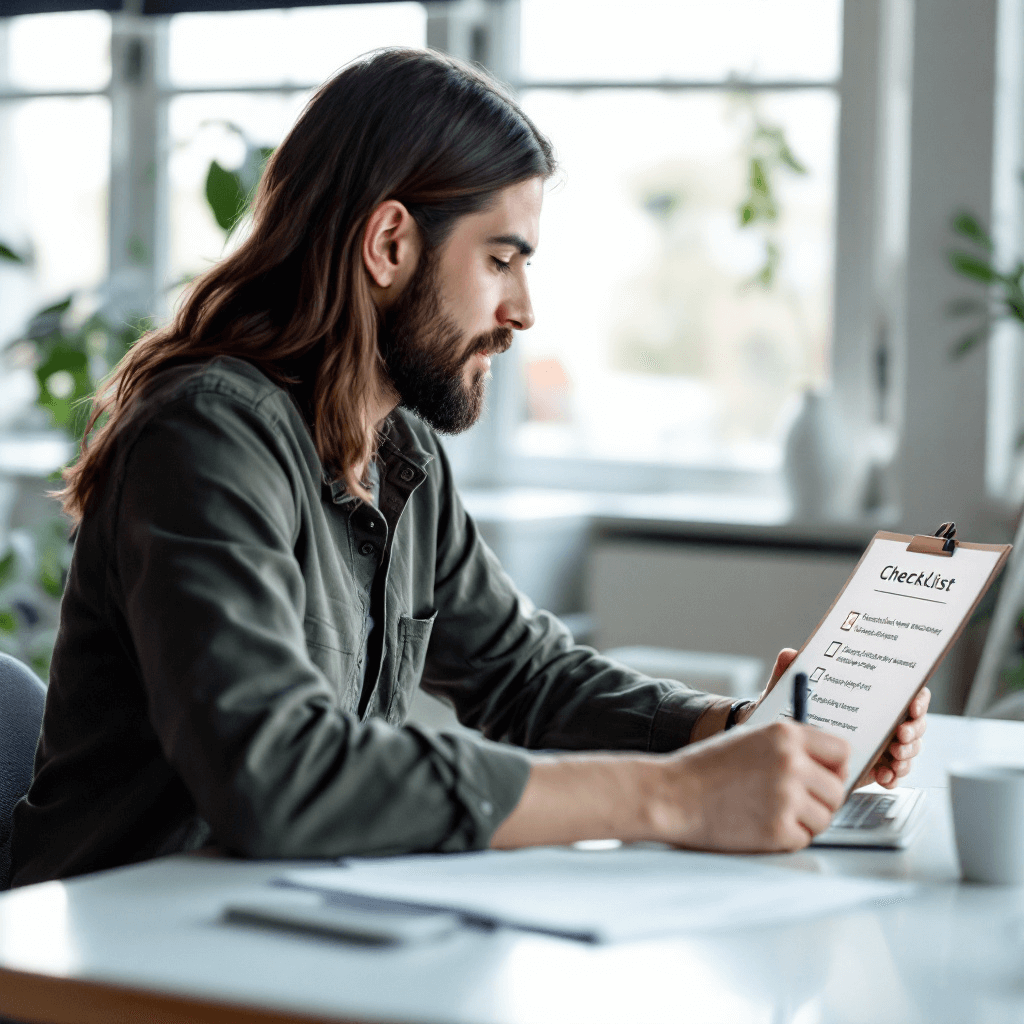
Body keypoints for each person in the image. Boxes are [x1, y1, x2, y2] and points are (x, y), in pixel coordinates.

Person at [9, 49, 927, 887]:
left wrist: (741, 735)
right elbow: (274, 772)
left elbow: (522, 674)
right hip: (97, 960)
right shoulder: (206, 436)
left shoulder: (399, 451)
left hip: (270, 926)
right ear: (390, 244)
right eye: (500, 260)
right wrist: (675, 797)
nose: (523, 311)